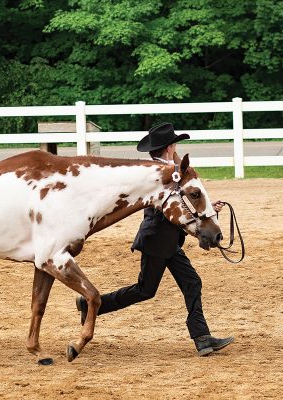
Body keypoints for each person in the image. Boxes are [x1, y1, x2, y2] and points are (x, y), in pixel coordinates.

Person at [76, 122, 234, 356]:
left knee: (191, 283)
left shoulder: (168, 169)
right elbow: (173, 207)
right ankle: (92, 304)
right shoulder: (160, 173)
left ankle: (202, 339)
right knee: (145, 290)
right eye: (175, 144)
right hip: (157, 240)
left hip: (168, 241)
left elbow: (184, 202)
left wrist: (206, 213)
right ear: (170, 146)